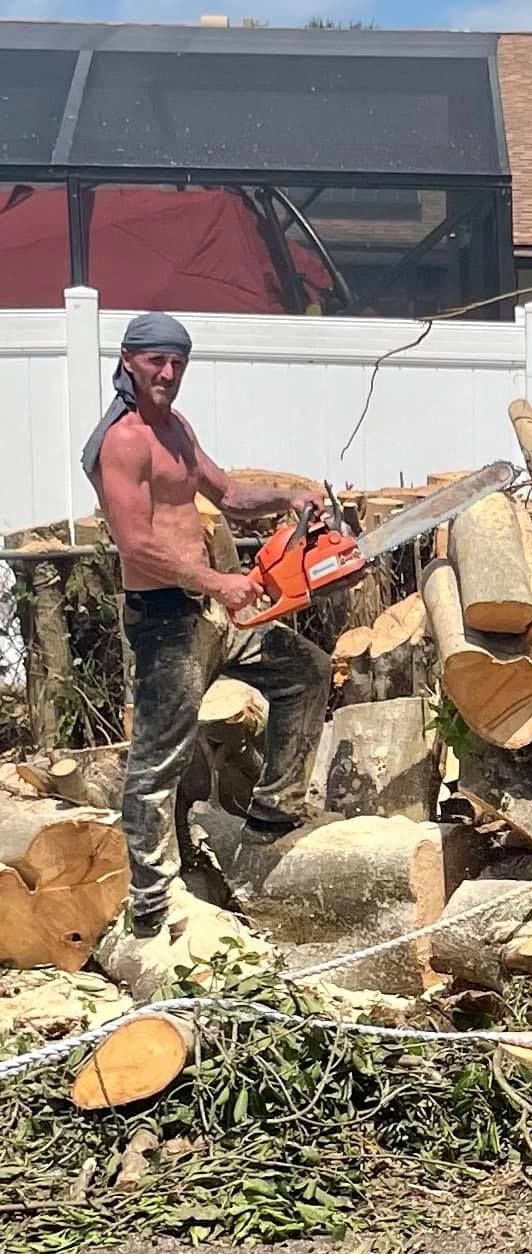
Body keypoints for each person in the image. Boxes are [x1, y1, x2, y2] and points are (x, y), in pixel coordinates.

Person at [84, 312, 331, 938]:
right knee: (156, 765)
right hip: (166, 621)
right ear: (129, 360)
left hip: (209, 612)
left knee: (305, 670)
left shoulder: (176, 429)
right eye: (156, 362)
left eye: (177, 363)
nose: (167, 373)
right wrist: (219, 580)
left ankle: (273, 812)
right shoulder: (124, 441)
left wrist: (287, 498)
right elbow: (136, 544)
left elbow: (225, 493)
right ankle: (151, 904)